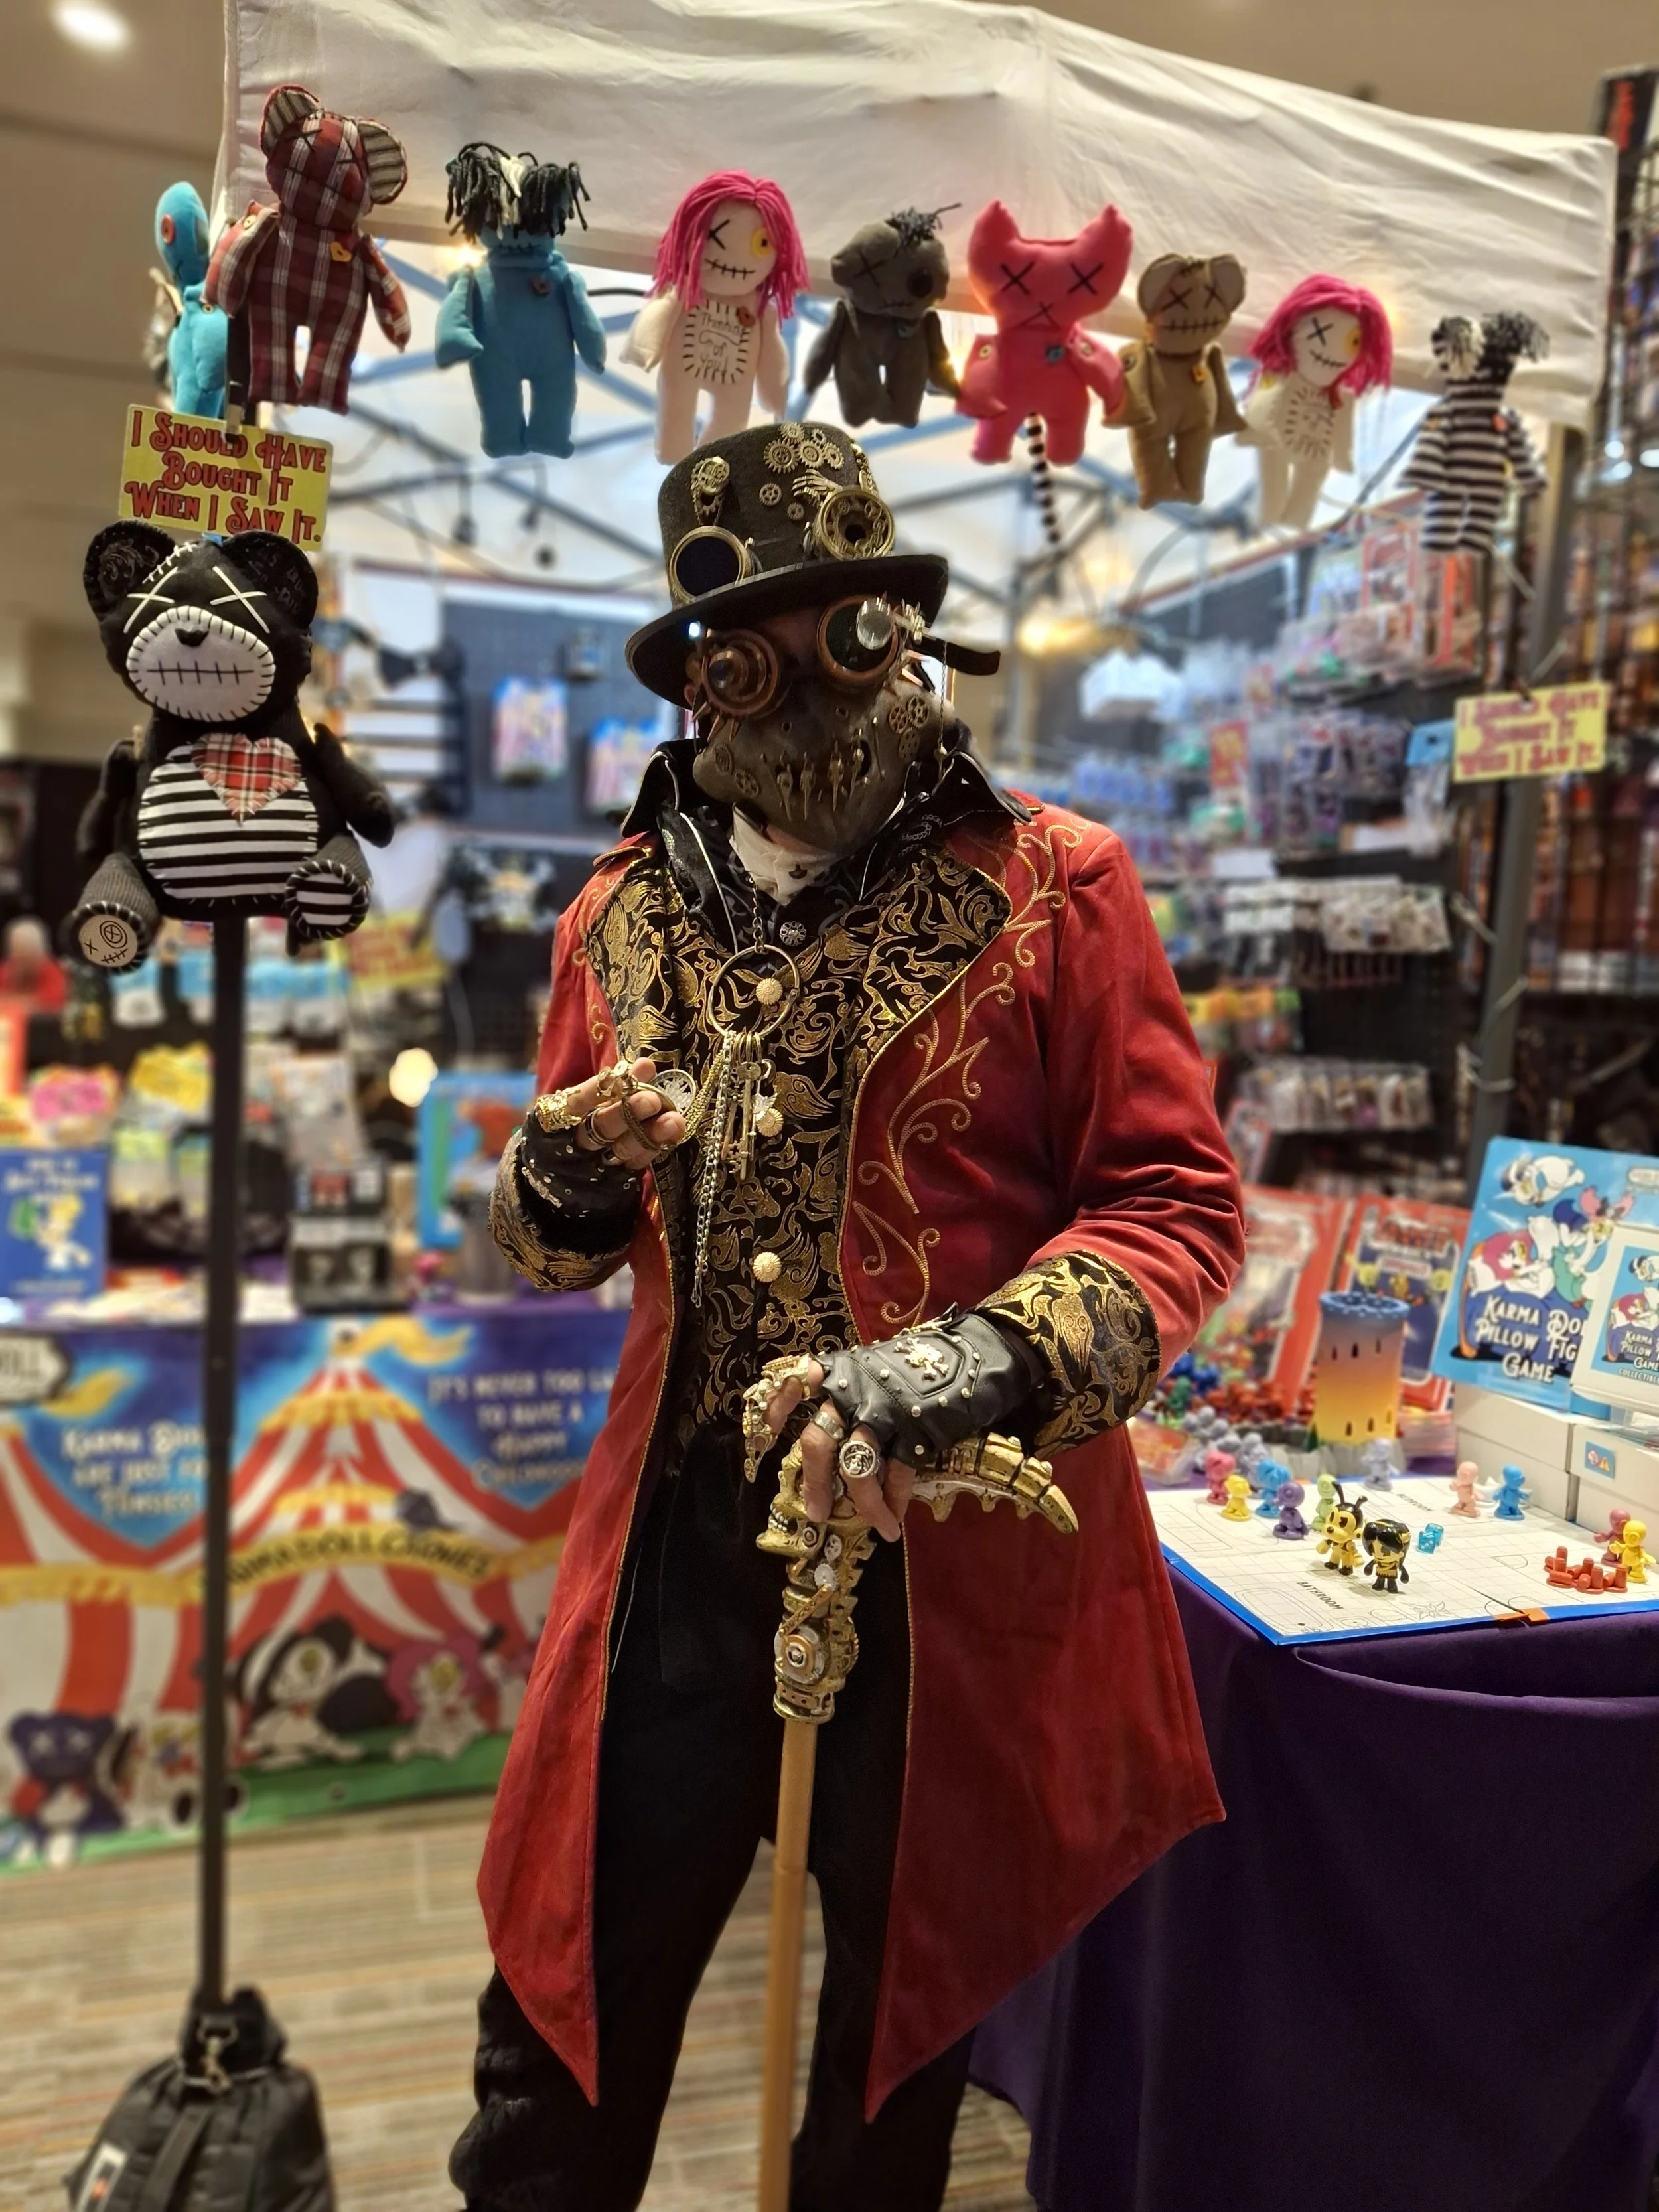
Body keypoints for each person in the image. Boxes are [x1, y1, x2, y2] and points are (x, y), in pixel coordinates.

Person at [451, 422, 1244, 2212]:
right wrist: (562, 1173)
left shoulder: (1057, 884)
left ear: (894, 627)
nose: (796, 686)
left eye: (838, 628)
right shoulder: (615, 910)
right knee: (558, 2028)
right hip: (672, 1547)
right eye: (751, 644)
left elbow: (1179, 1204)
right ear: (697, 672)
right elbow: (554, 1244)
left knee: (890, 2064)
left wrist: (967, 1363)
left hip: (947, 1558)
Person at [0, 916, 67, 1014]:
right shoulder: (8, 968)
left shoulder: (55, 973)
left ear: (41, 953)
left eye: (27, 953)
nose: (21, 960)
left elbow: (48, 1004)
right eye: (17, 952)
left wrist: (12, 1001)